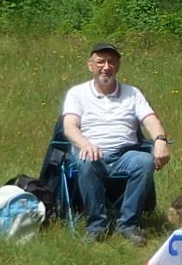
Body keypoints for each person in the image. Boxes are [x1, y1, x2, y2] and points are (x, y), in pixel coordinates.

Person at [61, 41, 172, 246]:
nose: (106, 66)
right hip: (92, 153)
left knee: (145, 161)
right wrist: (85, 144)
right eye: (100, 61)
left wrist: (160, 140)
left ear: (118, 66)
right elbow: (70, 127)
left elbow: (151, 120)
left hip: (125, 155)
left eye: (111, 62)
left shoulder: (133, 93)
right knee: (85, 161)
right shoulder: (77, 93)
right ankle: (96, 225)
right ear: (90, 65)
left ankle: (129, 224)